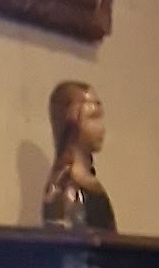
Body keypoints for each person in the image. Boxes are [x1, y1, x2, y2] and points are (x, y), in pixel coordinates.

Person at [42, 81, 117, 233]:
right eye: (93, 117)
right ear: (71, 121)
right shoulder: (64, 187)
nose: (101, 128)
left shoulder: (87, 181)